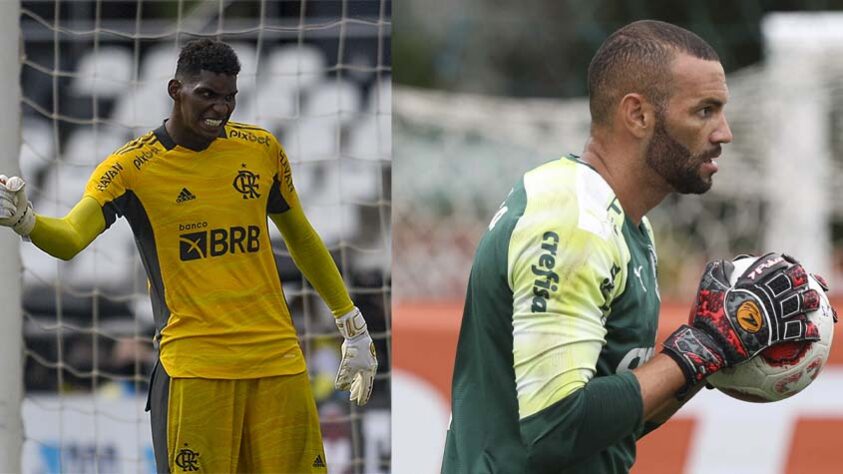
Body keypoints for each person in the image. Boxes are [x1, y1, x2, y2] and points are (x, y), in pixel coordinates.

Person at [441, 20, 832, 473]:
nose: (724, 133)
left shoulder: (629, 227)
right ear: (638, 115)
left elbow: (608, 428)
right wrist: (699, 348)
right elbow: (553, 428)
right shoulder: (574, 223)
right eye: (704, 111)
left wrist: (709, 358)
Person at [0, 39, 377, 473]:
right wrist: (27, 221)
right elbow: (69, 238)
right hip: (197, 370)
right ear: (175, 88)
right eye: (207, 95)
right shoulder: (131, 168)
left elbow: (303, 239)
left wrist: (353, 324)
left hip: (278, 364)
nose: (220, 108)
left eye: (230, 97)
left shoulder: (260, 150)